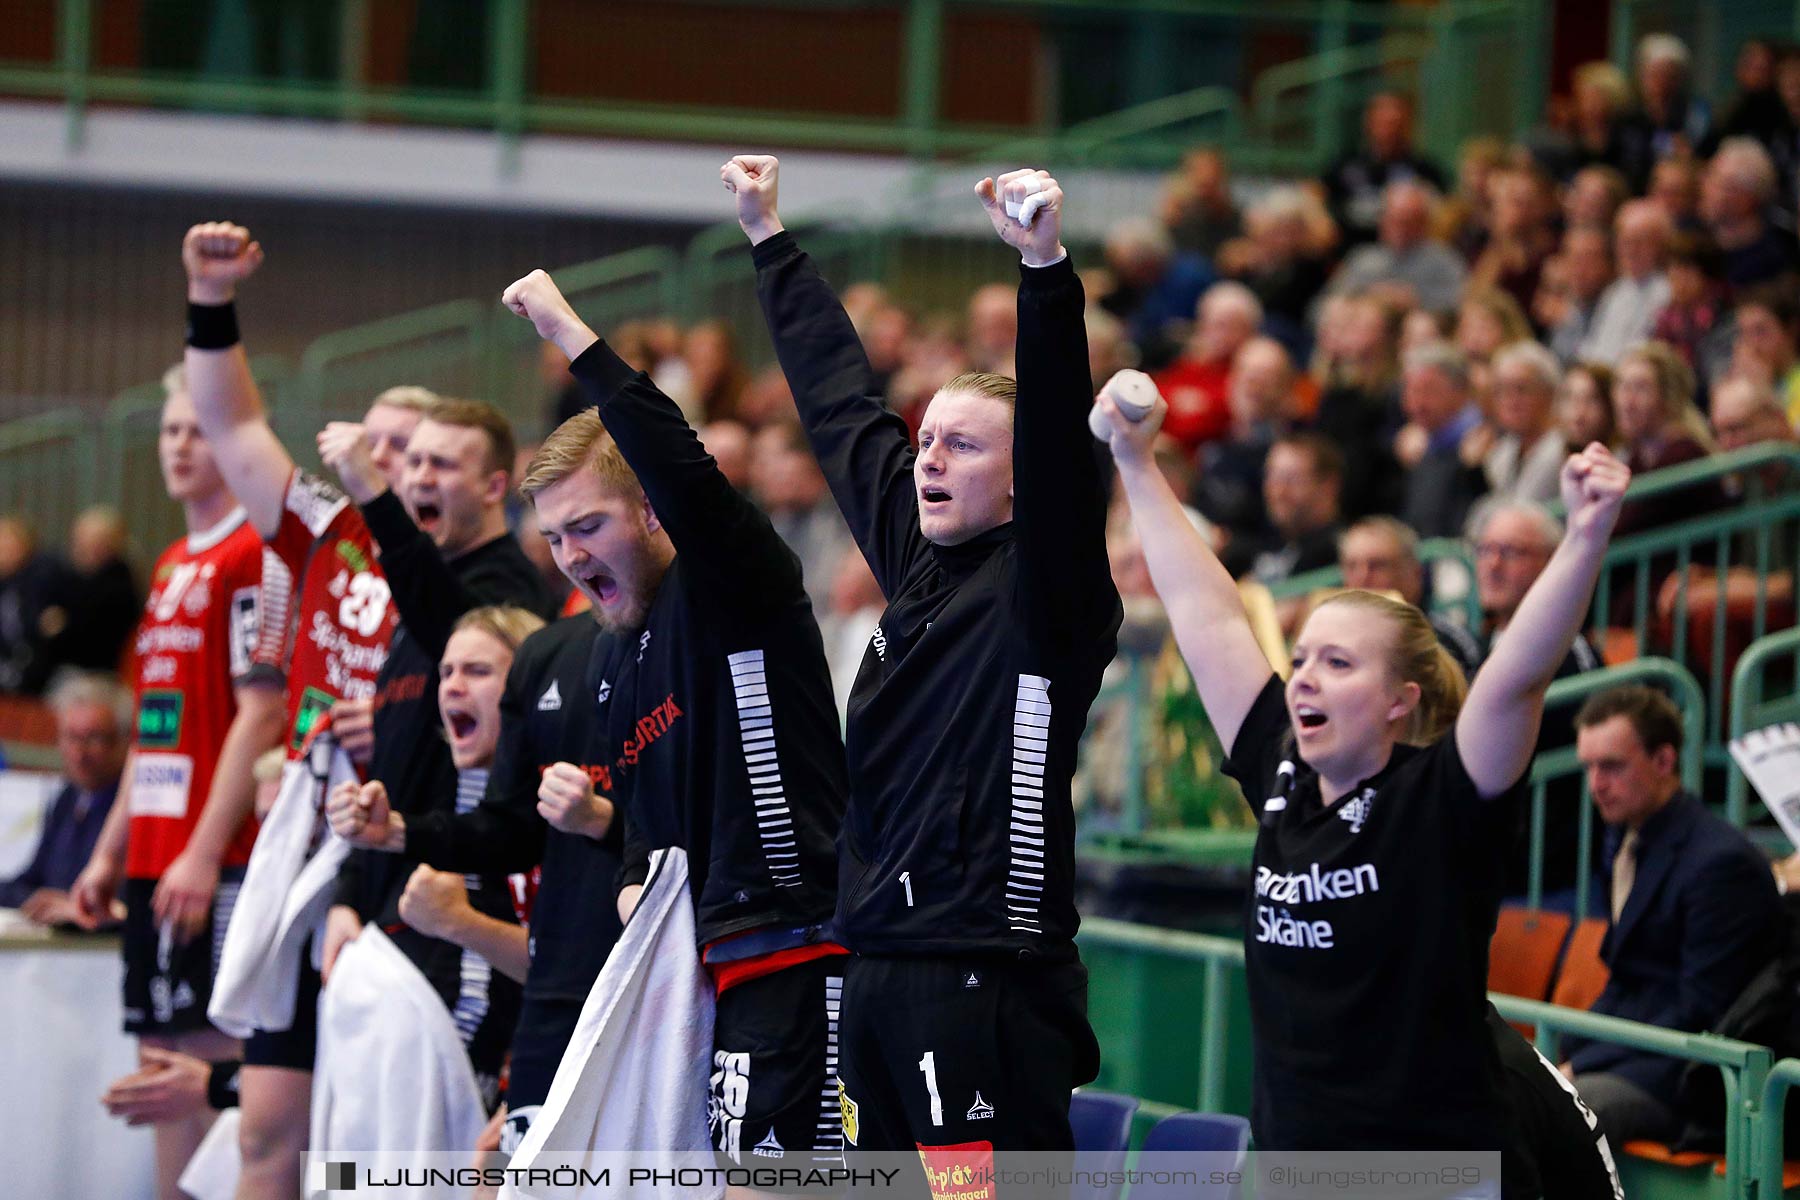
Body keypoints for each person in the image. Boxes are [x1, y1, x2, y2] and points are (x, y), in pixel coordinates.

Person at [1099, 357, 1631, 1153]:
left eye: (1339, 664)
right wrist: (1136, 465)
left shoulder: (1443, 798)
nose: (1305, 676)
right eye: (1304, 658)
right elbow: (1207, 614)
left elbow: (1517, 678)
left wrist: (1586, 536)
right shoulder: (1284, 770)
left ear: (1400, 701)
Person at [730, 155, 1122, 1158]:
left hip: (982, 979)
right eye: (930, 440)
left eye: (964, 447)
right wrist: (770, 241)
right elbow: (840, 409)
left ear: (1024, 482)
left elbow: (1061, 447)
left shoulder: (1050, 594)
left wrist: (1043, 270)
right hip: (874, 969)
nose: (931, 460)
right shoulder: (914, 566)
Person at [498, 262, 849, 1179]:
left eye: (588, 527)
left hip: (799, 946)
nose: (571, 558)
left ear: (651, 511)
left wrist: (568, 334)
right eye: (556, 540)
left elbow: (685, 467)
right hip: (700, 976)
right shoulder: (613, 657)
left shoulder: (731, 583)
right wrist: (632, 891)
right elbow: (642, 843)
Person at [174, 223, 412, 1200]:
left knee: (367, 1138)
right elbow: (231, 427)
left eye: (404, 447)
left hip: (399, 847)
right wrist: (209, 296)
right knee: (265, 1125)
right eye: (374, 436)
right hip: (305, 835)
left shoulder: (468, 574)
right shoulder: (328, 524)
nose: (381, 454)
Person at [69, 371, 288, 1200]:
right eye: (169, 432)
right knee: (159, 1077)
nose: (180, 446)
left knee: (210, 1073)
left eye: (198, 430)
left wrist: (199, 854)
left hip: (218, 860)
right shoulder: (166, 565)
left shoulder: (253, 555)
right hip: (154, 861)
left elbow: (259, 716)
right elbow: (155, 727)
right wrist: (106, 851)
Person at [1564, 686, 1784, 1146]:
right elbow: (1629, 981)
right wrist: (1560, 1054)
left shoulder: (1721, 864)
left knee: (1552, 1117)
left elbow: (1700, 1011)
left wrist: (1581, 1063)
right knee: (1501, 1087)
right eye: (1589, 767)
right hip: (1640, 1053)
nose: (1595, 785)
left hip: (1688, 1078)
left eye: (1612, 766)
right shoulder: (1625, 840)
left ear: (1664, 762)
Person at [1470, 501, 1604, 907]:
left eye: (1511, 552)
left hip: (1549, 879)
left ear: (1553, 564)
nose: (1493, 565)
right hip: (1486, 872)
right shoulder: (1474, 648)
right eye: (1485, 550)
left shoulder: (1572, 656)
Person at [0, 671, 130, 922]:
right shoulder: (68, 798)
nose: (79, 752)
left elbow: (127, 903)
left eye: (94, 738)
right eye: (71, 737)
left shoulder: (131, 808)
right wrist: (34, 900)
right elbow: (31, 880)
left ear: (123, 742)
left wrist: (75, 907)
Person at [1337, 516, 1482, 677]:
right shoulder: (1328, 643)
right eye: (1351, 566)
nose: (1362, 576)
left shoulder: (1447, 646)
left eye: (1377, 565)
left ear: (1414, 573)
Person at [1324, 92, 1448, 247]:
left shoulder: (1425, 170)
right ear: (1368, 122)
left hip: (1408, 256)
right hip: (1351, 254)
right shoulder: (1343, 165)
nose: (1390, 130)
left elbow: (1443, 216)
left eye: (1396, 123)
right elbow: (1322, 201)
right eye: (1383, 122)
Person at [1326, 180, 1468, 315]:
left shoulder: (1444, 262)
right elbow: (1321, 310)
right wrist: (1366, 299)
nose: (1399, 227)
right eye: (1393, 218)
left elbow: (1459, 307)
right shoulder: (1362, 260)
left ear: (1424, 222)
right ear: (1382, 220)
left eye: (1408, 220)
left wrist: (1417, 301)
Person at [1397, 342, 1488, 538]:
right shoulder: (1420, 445)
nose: (1417, 403)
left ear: (1461, 390)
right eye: (1411, 391)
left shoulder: (1486, 440)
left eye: (1428, 391)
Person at [1577, 199, 1673, 367]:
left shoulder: (1667, 292)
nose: (1630, 250)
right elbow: (1594, 346)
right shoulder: (1615, 290)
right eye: (1624, 241)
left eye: (1639, 242)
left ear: (1660, 246)